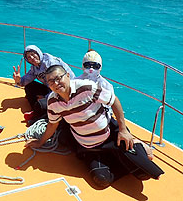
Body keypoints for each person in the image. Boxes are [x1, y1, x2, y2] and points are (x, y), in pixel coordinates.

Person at [25, 65, 163, 188]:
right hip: (89, 148)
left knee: (145, 174)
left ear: (67, 75)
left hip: (110, 138)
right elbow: (52, 124)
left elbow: (114, 101)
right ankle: (120, 157)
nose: (56, 83)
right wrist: (40, 142)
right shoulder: (52, 102)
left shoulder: (86, 87)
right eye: (51, 81)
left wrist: (122, 129)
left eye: (58, 78)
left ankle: (133, 146)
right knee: (102, 180)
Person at [76, 49, 153, 159]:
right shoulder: (75, 81)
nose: (91, 69)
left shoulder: (106, 85)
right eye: (88, 65)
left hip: (103, 118)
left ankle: (138, 145)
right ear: (83, 65)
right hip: (84, 120)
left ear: (100, 67)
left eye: (95, 66)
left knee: (125, 143)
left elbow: (112, 105)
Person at [12, 45, 75, 121]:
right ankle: (36, 109)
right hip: (51, 88)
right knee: (29, 86)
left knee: (42, 104)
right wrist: (18, 80)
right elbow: (26, 80)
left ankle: (39, 115)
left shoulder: (50, 63)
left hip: (65, 91)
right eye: (29, 57)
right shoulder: (35, 67)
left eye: (33, 54)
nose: (32, 58)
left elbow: (58, 84)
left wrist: (46, 97)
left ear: (38, 53)